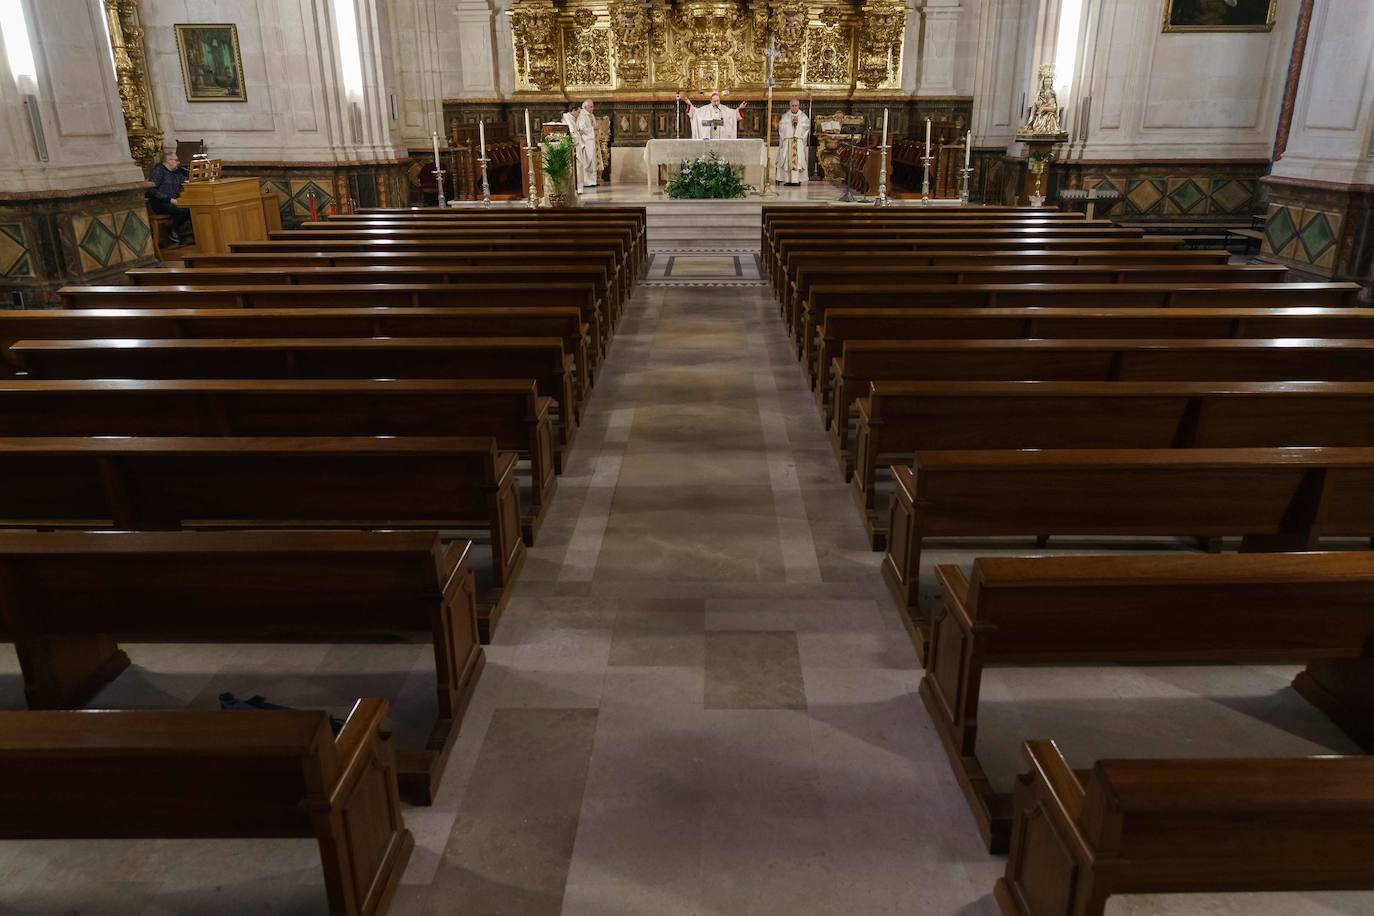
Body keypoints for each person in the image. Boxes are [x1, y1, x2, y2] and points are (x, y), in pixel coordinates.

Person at [145, 151, 192, 245]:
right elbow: (151, 190)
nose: (179, 162)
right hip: (161, 203)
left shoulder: (177, 171)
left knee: (193, 208)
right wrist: (169, 200)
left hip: (174, 201)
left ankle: (189, 236)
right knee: (186, 210)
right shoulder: (158, 170)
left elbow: (184, 180)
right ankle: (171, 228)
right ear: (169, 161)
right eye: (176, 160)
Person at [774, 98, 809, 186]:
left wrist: (798, 125)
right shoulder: (785, 116)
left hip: (798, 141)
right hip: (788, 141)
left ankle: (797, 180)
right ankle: (788, 180)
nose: (794, 107)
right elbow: (781, 128)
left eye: (796, 105)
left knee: (799, 160)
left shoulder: (803, 116)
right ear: (790, 106)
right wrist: (790, 125)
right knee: (786, 160)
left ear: (798, 106)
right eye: (792, 106)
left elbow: (806, 127)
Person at [573, 100, 600, 189]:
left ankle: (592, 181)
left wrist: (595, 129)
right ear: (585, 107)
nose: (593, 108)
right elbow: (582, 129)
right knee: (587, 162)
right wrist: (593, 128)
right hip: (586, 141)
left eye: (593, 106)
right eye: (591, 107)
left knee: (592, 162)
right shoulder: (582, 116)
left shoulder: (591, 115)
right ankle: (586, 181)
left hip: (592, 141)